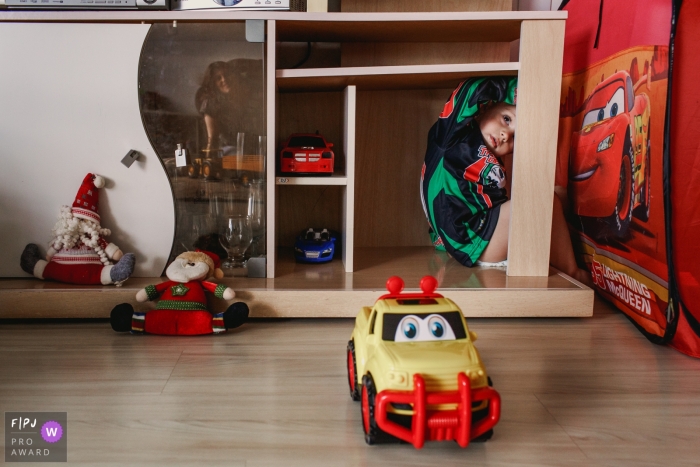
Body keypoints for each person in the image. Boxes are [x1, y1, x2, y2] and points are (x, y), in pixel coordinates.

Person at [421, 77, 591, 286]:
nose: (504, 135)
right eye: (506, 119)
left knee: (557, 198)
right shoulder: (453, 135)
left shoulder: (496, 163)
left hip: (480, 235)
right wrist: (518, 91)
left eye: (514, 138)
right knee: (545, 199)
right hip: (474, 239)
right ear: (487, 108)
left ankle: (561, 261)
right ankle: (573, 273)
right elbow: (469, 90)